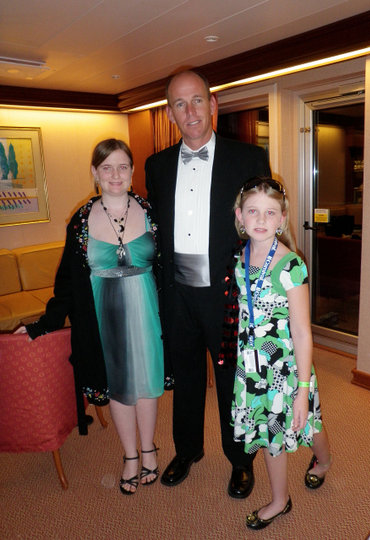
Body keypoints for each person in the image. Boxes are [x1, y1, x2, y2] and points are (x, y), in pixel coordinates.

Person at [145, 69, 270, 498]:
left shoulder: (248, 157)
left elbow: (264, 223)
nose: (190, 111)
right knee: (185, 375)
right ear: (170, 113)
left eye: (197, 100)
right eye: (180, 104)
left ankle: (240, 460)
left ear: (212, 104)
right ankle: (187, 450)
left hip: (227, 291)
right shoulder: (157, 165)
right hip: (177, 291)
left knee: (232, 377)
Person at [15, 139, 164, 496]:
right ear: (95, 172)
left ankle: (148, 449)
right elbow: (67, 281)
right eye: (107, 167)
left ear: (132, 171)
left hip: (147, 310)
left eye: (123, 167)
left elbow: (169, 266)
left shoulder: (151, 211)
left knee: (148, 382)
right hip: (102, 316)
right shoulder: (81, 220)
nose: (115, 175)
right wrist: (43, 324)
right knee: (118, 387)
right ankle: (131, 456)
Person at [221, 176, 332, 530]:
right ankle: (280, 500)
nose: (260, 219)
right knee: (270, 434)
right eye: (253, 211)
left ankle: (324, 461)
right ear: (239, 215)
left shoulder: (291, 265)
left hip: (287, 368)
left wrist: (302, 390)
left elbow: (301, 332)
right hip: (254, 367)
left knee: (307, 423)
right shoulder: (240, 257)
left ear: (282, 219)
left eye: (270, 213)